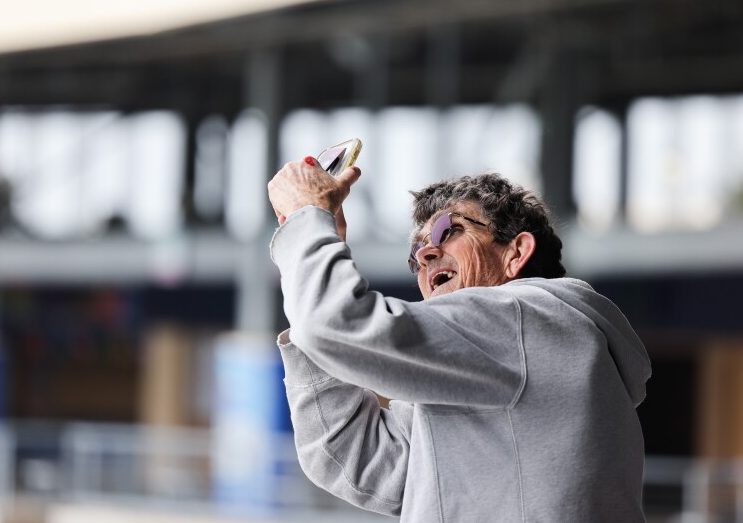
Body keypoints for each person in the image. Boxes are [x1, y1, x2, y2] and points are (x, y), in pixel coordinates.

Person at [266, 157, 651, 522]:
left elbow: (335, 326)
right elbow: (355, 458)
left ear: (516, 253)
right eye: (416, 254)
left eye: (447, 231)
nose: (427, 253)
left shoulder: (526, 318)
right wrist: (310, 277)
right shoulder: (498, 362)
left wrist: (307, 222)